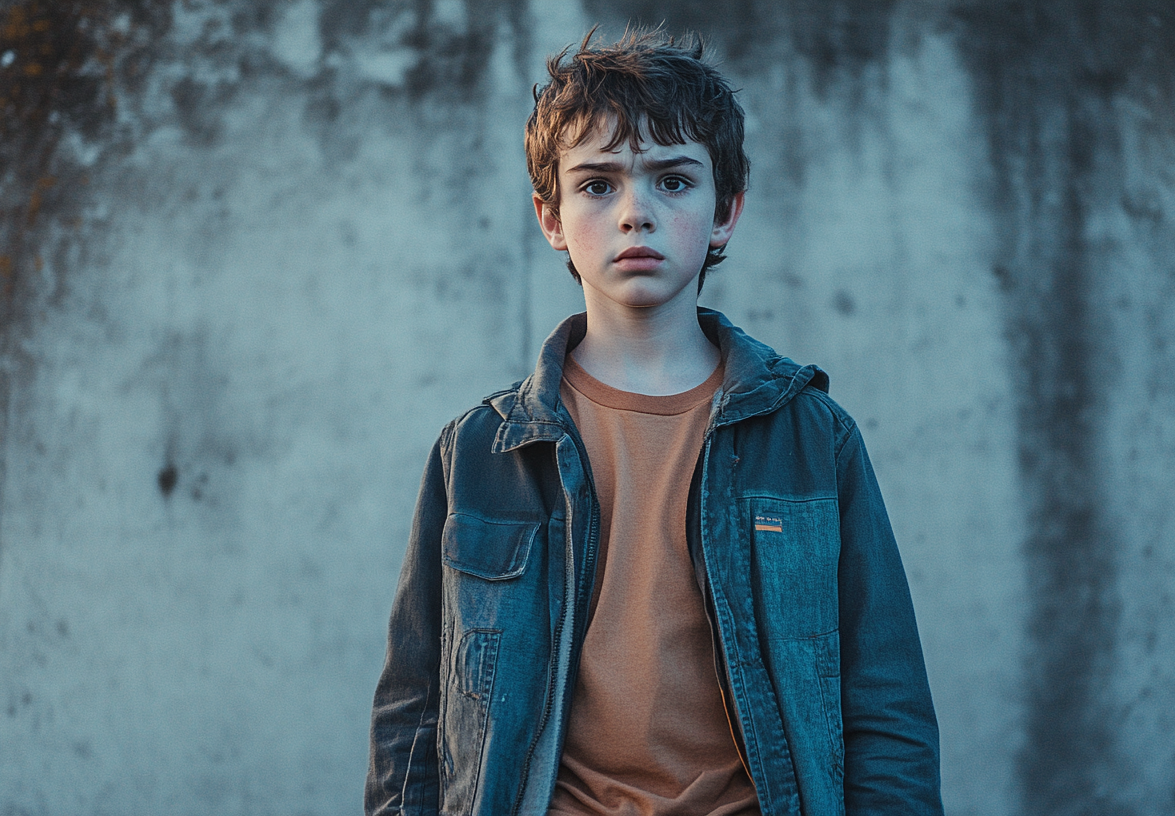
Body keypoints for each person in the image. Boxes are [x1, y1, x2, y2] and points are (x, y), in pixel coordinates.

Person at [366, 26, 942, 816]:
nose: (635, 212)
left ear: (724, 214)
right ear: (551, 217)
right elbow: (414, 715)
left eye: (673, 182)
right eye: (598, 185)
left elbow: (886, 710)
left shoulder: (813, 440)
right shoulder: (478, 453)